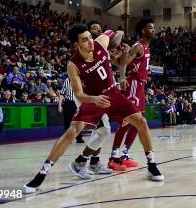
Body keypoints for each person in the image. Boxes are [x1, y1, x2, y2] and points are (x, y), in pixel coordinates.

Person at [22, 24, 163, 194]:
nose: (90, 42)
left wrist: (119, 47)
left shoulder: (101, 42)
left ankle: (152, 164)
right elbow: (79, 95)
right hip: (93, 99)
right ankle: (41, 175)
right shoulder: (73, 65)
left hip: (114, 94)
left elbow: (117, 33)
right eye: (84, 39)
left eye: (90, 37)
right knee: (72, 132)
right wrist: (94, 99)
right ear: (76, 45)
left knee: (141, 121)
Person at [109, 18, 155, 170]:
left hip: (140, 85)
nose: (153, 30)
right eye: (150, 27)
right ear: (143, 30)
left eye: (153, 28)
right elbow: (123, 63)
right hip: (134, 84)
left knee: (139, 121)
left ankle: (123, 154)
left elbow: (119, 61)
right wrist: (122, 77)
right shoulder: (138, 46)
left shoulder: (147, 47)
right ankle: (114, 157)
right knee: (127, 121)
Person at [69, 22, 115, 176]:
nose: (98, 30)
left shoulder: (100, 47)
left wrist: (116, 47)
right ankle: (79, 162)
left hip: (98, 97)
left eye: (98, 29)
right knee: (104, 131)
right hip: (87, 98)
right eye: (94, 28)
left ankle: (94, 162)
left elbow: (114, 33)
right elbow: (79, 91)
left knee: (102, 131)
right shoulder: (77, 61)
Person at [58, 76, 85, 143]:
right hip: (68, 103)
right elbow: (62, 94)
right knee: (68, 121)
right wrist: (60, 105)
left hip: (78, 102)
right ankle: (68, 138)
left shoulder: (80, 81)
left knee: (79, 120)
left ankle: (79, 137)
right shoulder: (66, 81)